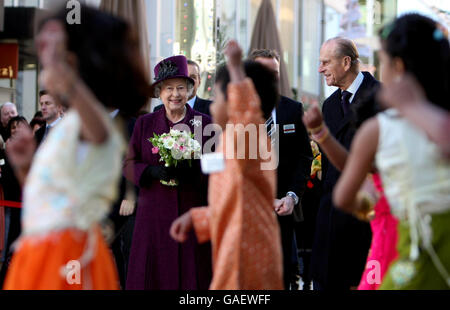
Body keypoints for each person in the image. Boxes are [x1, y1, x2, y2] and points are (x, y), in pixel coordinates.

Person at [3, 5, 150, 289]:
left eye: (55, 50)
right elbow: (54, 193)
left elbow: (102, 138)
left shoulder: (98, 124)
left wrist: (66, 79)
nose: (47, 57)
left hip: (69, 256)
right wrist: (26, 169)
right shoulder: (71, 124)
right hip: (42, 251)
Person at [333, 14, 450, 289]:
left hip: (413, 264)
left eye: (382, 62)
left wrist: (371, 208)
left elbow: (343, 196)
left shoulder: (378, 129)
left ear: (397, 67)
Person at [170, 40, 283, 290]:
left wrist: (234, 67)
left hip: (249, 258)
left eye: (218, 96)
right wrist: (197, 217)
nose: (211, 105)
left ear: (235, 100)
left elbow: (247, 112)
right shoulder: (232, 139)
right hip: (233, 251)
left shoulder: (247, 134)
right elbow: (233, 204)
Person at [123, 55, 213, 290]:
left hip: (190, 216)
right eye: (169, 88)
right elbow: (128, 163)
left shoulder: (205, 124)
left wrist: (195, 169)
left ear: (190, 90)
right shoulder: (144, 124)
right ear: (160, 92)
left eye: (181, 88)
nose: (175, 94)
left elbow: (219, 170)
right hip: (153, 219)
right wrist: (150, 171)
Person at [302, 89, 399, 290]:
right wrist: (321, 134)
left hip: (386, 252)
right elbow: (349, 164)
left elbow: (344, 194)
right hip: (392, 253)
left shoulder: (380, 172)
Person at [312, 37, 379, 290]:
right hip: (331, 218)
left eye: (325, 62)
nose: (320, 69)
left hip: (366, 219)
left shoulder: (380, 98)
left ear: (346, 62)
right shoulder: (329, 106)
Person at [248, 49, 313, 289]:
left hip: (282, 212)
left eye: (273, 73)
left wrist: (292, 196)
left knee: (282, 276)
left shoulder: (292, 109)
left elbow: (304, 156)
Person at [0, 117, 29, 287]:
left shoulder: (32, 150)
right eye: (13, 128)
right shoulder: (5, 154)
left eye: (20, 127)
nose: (16, 130)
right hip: (11, 206)